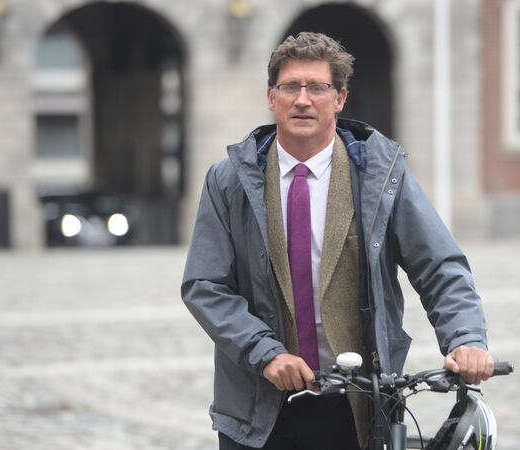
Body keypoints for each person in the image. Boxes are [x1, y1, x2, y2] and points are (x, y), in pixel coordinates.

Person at [182, 32, 493, 450]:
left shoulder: (381, 177)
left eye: (318, 87)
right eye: (290, 87)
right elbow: (205, 285)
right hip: (256, 405)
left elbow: (439, 266)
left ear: (341, 98)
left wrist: (465, 338)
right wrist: (266, 353)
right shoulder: (229, 180)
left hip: (358, 406)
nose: (303, 99)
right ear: (271, 97)